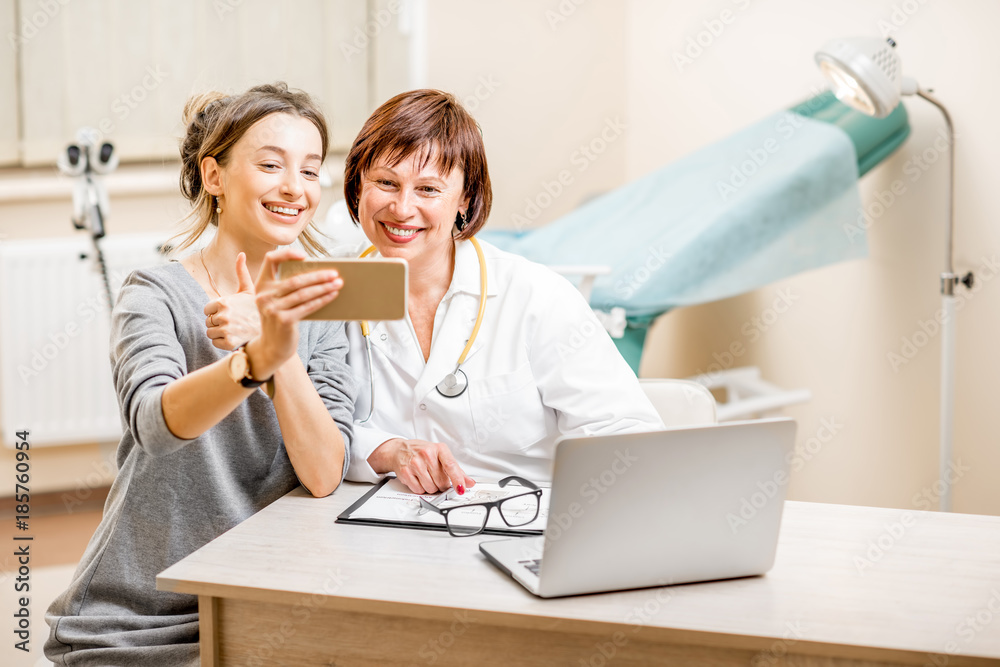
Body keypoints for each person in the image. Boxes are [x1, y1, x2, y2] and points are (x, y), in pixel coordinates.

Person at [44, 83, 356, 666]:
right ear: (214, 175)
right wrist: (249, 365)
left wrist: (277, 349)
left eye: (311, 171)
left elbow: (323, 474)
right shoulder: (155, 295)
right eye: (270, 165)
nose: (295, 187)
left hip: (255, 601)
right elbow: (157, 425)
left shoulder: (320, 312)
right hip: (135, 619)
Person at [341, 89, 664, 494]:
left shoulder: (535, 296)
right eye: (386, 183)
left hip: (520, 522)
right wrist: (384, 449)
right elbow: (304, 432)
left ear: (465, 199)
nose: (402, 208)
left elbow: (628, 433)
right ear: (358, 187)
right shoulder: (329, 292)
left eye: (428, 189)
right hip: (379, 529)